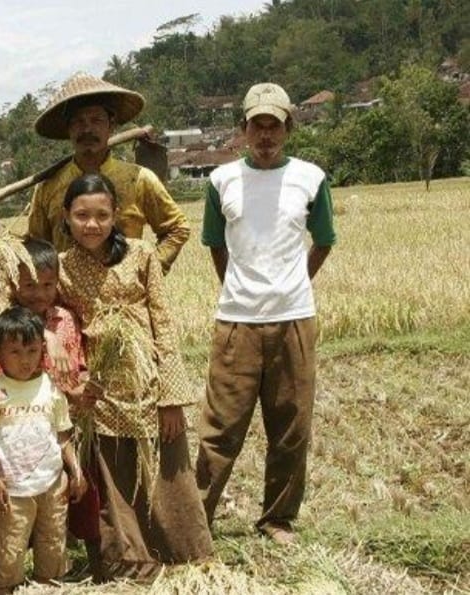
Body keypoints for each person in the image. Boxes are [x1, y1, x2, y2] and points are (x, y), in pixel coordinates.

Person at [194, 83, 337, 545]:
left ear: (288, 128)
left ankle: (277, 519)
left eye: (274, 125)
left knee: (292, 428)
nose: (266, 134)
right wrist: (238, 290)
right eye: (258, 124)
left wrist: (295, 283)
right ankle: (198, 520)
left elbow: (325, 240)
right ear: (243, 129)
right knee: (220, 428)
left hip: (295, 318)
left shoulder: (311, 178)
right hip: (236, 322)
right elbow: (215, 245)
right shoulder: (221, 181)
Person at [57, 174, 212, 581]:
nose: (92, 224)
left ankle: (184, 555)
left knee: (166, 471)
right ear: (66, 217)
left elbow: (162, 320)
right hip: (99, 391)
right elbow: (37, 307)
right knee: (112, 480)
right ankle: (127, 561)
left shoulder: (141, 254)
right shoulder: (60, 268)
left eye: (102, 216)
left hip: (148, 385)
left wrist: (171, 395)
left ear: (116, 217)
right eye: (82, 215)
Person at [0, 238, 100, 569]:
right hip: (23, 433)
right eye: (30, 285)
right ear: (13, 283)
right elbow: (3, 383)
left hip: (66, 428)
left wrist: (81, 393)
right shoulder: (5, 325)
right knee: (18, 514)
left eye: (48, 284)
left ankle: (73, 565)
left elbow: (77, 368)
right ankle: (8, 575)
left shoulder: (65, 319)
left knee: (69, 499)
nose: (39, 293)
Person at [0, 306, 85, 594]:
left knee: (52, 550)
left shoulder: (51, 387)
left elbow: (62, 435)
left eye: (32, 351)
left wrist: (75, 470)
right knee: (7, 556)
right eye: (15, 352)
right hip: (13, 491)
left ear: (42, 352)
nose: (25, 360)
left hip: (52, 486)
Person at [27, 71, 189, 272]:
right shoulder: (47, 188)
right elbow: (35, 246)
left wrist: (148, 271)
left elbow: (177, 229)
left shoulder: (139, 179)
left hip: (127, 298)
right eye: (78, 121)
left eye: (96, 120)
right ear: (68, 129)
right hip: (65, 299)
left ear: (111, 126)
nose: (87, 129)